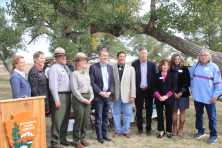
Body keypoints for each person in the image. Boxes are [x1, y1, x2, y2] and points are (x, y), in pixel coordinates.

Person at [190, 50, 222, 144]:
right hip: (198, 97)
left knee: (212, 117)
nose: (203, 57)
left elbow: (219, 84)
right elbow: (191, 80)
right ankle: (200, 131)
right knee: (199, 115)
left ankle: (213, 135)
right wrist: (193, 91)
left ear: (209, 57)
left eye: (206, 55)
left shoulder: (213, 67)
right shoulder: (195, 66)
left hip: (209, 98)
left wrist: (214, 96)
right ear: (199, 57)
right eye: (202, 55)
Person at [89, 49, 115, 144]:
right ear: (99, 56)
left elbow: (112, 82)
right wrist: (100, 92)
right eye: (104, 55)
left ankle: (105, 134)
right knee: (99, 116)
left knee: (106, 116)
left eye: (107, 56)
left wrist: (110, 92)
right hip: (98, 97)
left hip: (108, 96)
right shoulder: (93, 67)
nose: (106, 57)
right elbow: (92, 82)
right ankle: (99, 136)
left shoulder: (110, 67)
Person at [49, 47, 72, 148]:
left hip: (67, 95)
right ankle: (55, 142)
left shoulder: (65, 67)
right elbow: (53, 86)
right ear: (56, 57)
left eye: (65, 55)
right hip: (59, 95)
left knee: (65, 119)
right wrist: (56, 99)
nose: (64, 57)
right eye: (62, 56)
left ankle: (63, 139)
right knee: (57, 120)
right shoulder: (54, 68)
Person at [70, 52, 94, 148]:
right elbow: (74, 90)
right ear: (77, 62)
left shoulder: (86, 73)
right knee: (79, 121)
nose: (84, 62)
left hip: (88, 98)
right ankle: (76, 141)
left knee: (85, 120)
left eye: (85, 60)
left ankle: (83, 139)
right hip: (79, 99)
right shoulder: (74, 74)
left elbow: (90, 87)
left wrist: (91, 97)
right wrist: (82, 99)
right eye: (82, 60)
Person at [131, 47, 156, 136]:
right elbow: (132, 78)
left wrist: (154, 91)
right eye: (142, 53)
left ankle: (148, 129)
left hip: (148, 91)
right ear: (139, 54)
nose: (143, 55)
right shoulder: (134, 64)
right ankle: (140, 129)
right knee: (139, 110)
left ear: (147, 54)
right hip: (139, 91)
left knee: (149, 110)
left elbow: (154, 79)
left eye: (145, 53)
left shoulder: (152, 65)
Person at [112, 52, 136, 138]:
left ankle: (126, 131)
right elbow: (111, 82)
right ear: (117, 58)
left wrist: (132, 96)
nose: (122, 58)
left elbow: (133, 83)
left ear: (125, 58)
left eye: (123, 57)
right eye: (120, 57)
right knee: (116, 113)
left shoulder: (131, 69)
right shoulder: (112, 68)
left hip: (128, 96)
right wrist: (112, 94)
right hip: (116, 95)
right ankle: (117, 130)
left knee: (128, 113)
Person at [154, 59, 176, 139]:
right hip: (159, 99)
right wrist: (159, 97)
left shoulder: (171, 75)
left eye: (167, 65)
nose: (165, 67)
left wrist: (167, 96)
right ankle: (161, 131)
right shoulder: (156, 75)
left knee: (169, 115)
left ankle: (169, 131)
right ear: (161, 66)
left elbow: (174, 86)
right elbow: (154, 87)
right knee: (160, 115)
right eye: (164, 65)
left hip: (168, 98)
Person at [170, 54, 190, 136]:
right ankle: (174, 129)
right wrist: (173, 92)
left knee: (182, 111)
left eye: (178, 59)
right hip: (173, 94)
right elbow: (169, 82)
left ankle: (180, 130)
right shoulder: (170, 69)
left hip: (183, 94)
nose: (177, 61)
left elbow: (187, 81)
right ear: (172, 60)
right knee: (174, 111)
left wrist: (181, 92)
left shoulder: (184, 68)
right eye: (175, 59)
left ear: (180, 60)